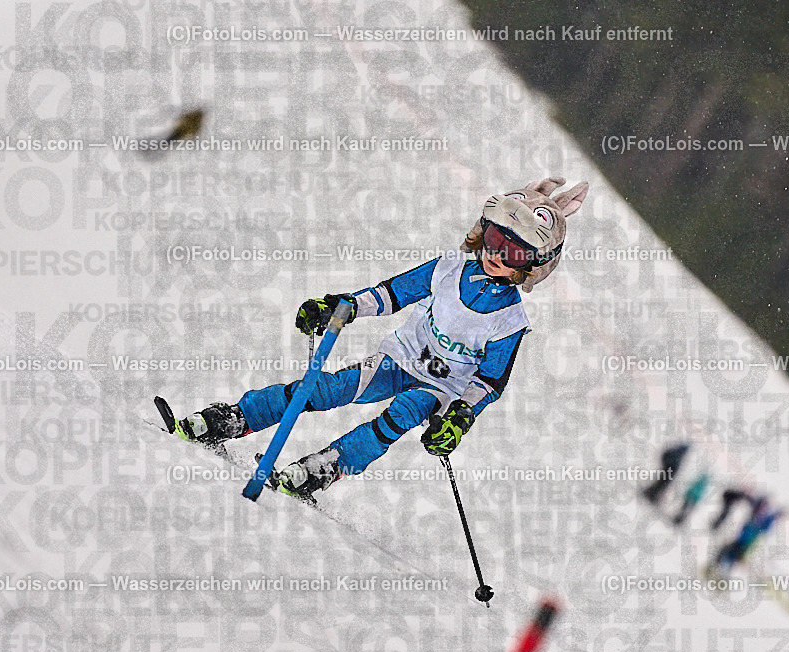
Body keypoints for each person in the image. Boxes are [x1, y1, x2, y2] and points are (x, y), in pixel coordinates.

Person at [168, 178, 588, 499]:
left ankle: (326, 466)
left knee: (403, 412)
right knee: (326, 389)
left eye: (514, 252)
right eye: (495, 239)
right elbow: (392, 294)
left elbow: (490, 382)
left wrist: (460, 417)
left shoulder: (510, 321)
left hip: (440, 388)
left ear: (535, 264)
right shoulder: (450, 267)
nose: (496, 255)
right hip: (399, 358)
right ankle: (234, 418)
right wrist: (345, 306)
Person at [714, 496, 782, 572]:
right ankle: (719, 566)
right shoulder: (756, 522)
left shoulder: (758, 524)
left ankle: (722, 568)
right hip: (744, 539)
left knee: (732, 554)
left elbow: (754, 536)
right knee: (730, 552)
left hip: (745, 540)